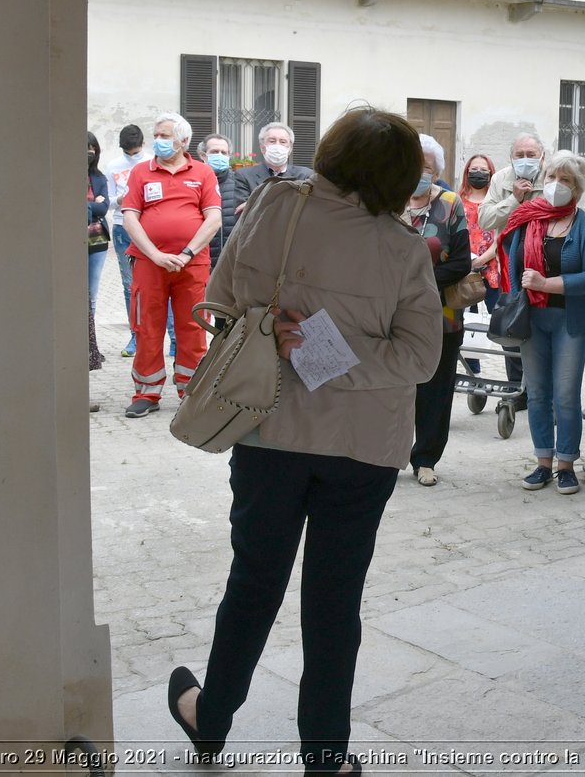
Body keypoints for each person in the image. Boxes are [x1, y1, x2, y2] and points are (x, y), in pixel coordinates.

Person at [166, 107, 442, 775]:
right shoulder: (403, 248)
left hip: (271, 429)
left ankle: (212, 719)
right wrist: (346, 354)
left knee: (253, 582)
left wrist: (305, 340)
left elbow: (224, 294)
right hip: (364, 446)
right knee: (334, 600)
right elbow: (422, 359)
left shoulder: (272, 206)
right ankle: (325, 757)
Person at [499, 151, 585, 495]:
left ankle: (566, 464)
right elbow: (513, 264)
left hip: (571, 321)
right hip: (533, 319)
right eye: (551, 178)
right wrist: (519, 300)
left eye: (565, 180)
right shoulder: (530, 218)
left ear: (577, 187)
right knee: (538, 394)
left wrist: (547, 285)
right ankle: (543, 461)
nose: (556, 185)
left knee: (565, 394)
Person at [118, 114, 222, 418]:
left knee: (193, 326)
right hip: (149, 263)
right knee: (147, 326)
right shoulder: (140, 172)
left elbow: (213, 218)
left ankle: (191, 391)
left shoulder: (203, 173)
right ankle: (147, 393)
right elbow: (129, 217)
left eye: (165, 135)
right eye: (157, 135)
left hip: (193, 263)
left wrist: (187, 253)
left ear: (184, 141)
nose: (159, 141)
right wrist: (155, 254)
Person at [405, 134, 471, 487]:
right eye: (413, 166)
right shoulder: (386, 202)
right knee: (397, 386)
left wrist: (418, 282)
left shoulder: (449, 204)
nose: (419, 173)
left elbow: (461, 262)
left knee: (435, 388)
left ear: (437, 171)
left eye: (426, 167)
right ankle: (390, 452)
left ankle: (426, 458)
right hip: (393, 315)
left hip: (442, 314)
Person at [480, 134, 545, 406]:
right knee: (511, 327)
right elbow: (485, 219)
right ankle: (516, 390)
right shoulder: (501, 180)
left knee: (540, 327)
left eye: (531, 153)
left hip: (544, 266)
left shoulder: (551, 177)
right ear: (511, 158)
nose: (525, 159)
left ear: (542, 156)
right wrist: (515, 200)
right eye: (519, 154)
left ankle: (540, 391)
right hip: (508, 264)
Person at [104, 124, 152, 357]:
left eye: (135, 152)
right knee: (129, 285)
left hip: (149, 227)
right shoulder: (113, 166)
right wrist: (121, 199)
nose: (132, 157)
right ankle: (135, 336)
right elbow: (108, 200)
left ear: (142, 145)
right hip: (123, 227)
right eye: (128, 153)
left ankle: (168, 337)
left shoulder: (151, 162)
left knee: (159, 281)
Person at [457, 153, 500, 377]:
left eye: (484, 170)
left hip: (491, 271)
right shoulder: (456, 201)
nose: (479, 173)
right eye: (475, 169)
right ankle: (473, 373)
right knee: (464, 325)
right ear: (467, 172)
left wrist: (482, 260)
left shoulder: (495, 203)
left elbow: (500, 237)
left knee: (504, 323)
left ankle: (519, 375)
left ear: (491, 174)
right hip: (463, 274)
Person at [232, 121, 312, 219]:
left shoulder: (305, 175)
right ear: (262, 148)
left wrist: (256, 205)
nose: (277, 146)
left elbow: (309, 211)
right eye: (272, 141)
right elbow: (242, 215)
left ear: (290, 149)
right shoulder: (244, 176)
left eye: (283, 142)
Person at [87, 132, 110, 412]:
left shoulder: (99, 176)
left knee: (90, 299)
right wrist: (92, 207)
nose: (89, 152)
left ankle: (89, 346)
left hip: (97, 244)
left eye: (92, 148)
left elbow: (104, 208)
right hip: (73, 246)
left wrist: (91, 208)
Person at [196, 132, 236, 269]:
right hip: (201, 262)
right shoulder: (194, 183)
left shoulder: (239, 183)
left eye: (224, 152)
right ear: (203, 155)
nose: (219, 155)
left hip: (231, 265)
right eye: (214, 151)